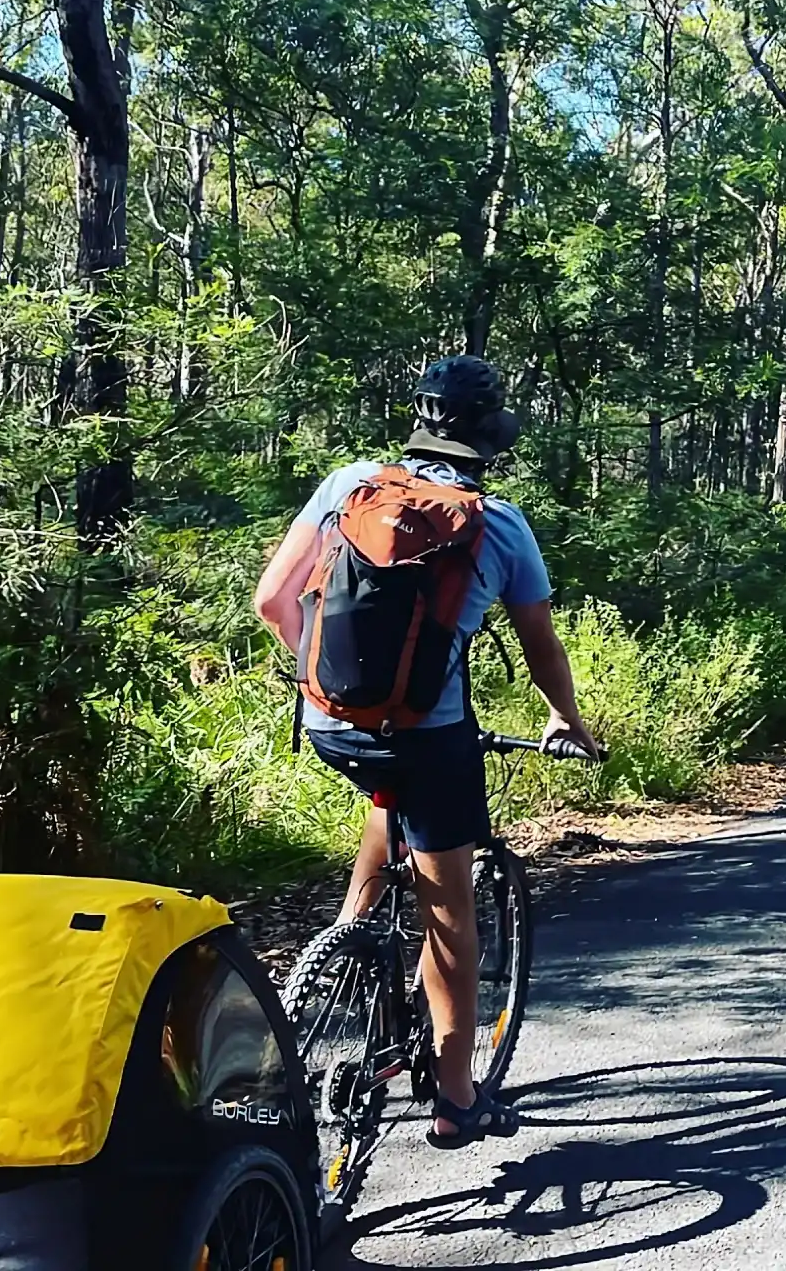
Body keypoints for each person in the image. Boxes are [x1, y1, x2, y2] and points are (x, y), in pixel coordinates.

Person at [254, 354, 599, 1150]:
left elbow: (273, 600)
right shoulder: (500, 524)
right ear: (489, 440)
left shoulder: (350, 485)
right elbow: (540, 646)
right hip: (429, 737)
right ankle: (456, 1099)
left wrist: (323, 686)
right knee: (450, 916)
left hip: (330, 724)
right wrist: (565, 718)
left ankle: (350, 947)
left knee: (386, 800)